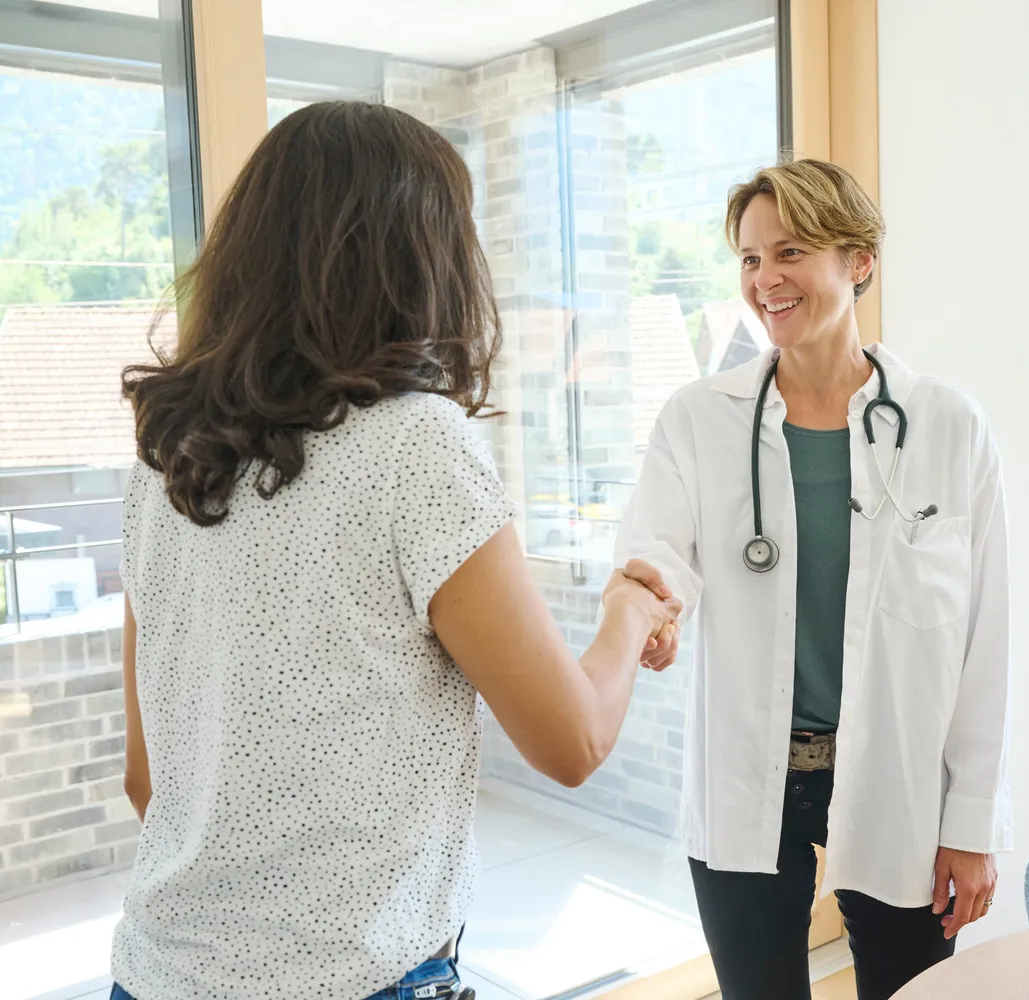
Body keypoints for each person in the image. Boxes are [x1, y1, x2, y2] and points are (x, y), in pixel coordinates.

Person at [109, 102, 680, 1000]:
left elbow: (149, 781)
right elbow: (571, 740)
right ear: (419, 256)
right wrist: (628, 611)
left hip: (155, 974)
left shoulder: (164, 457)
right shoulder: (416, 445)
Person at [615, 159, 1012, 1000]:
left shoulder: (947, 425)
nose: (765, 280)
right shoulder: (697, 420)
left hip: (899, 773)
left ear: (858, 260)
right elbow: (655, 553)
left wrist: (973, 821)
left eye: (789, 252)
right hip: (748, 771)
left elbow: (987, 638)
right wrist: (652, 611)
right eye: (750, 259)